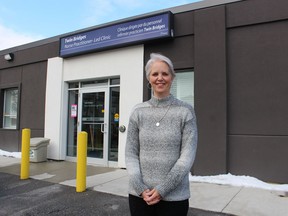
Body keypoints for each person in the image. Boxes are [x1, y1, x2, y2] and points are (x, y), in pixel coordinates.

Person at [125, 53, 198, 216]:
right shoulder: (138, 111)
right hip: (140, 197)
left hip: (175, 198)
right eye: (155, 74)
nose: (160, 78)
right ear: (148, 78)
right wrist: (140, 188)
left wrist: (162, 189)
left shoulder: (185, 111)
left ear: (172, 77)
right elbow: (130, 153)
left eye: (165, 73)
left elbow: (187, 157)